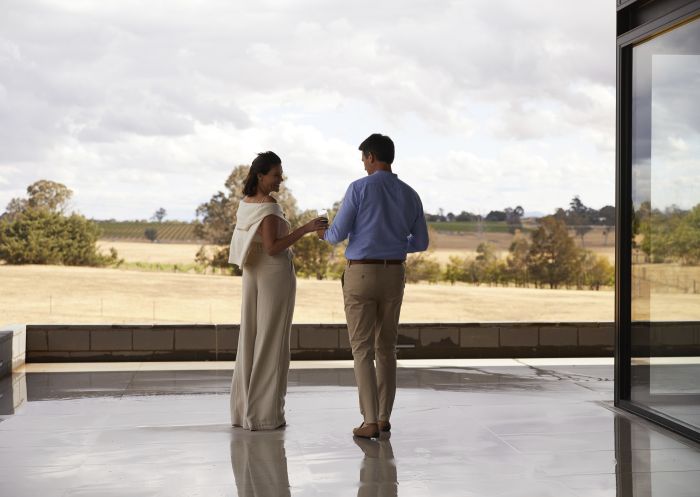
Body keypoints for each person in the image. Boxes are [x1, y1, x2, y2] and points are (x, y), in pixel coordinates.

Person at [320, 134, 429, 438]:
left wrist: (322, 233)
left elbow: (337, 234)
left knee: (362, 349)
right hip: (393, 274)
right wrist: (394, 243)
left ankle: (368, 420)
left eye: (364, 160)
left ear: (370, 157)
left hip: (361, 274)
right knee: (387, 348)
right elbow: (421, 242)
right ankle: (383, 418)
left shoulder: (359, 188)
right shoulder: (410, 194)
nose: (363, 166)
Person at [229, 151, 328, 431]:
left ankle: (243, 412)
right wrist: (307, 228)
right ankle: (265, 415)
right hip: (273, 273)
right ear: (260, 175)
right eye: (275, 175)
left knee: (250, 337)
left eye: (281, 174)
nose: (280, 179)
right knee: (272, 340)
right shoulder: (269, 207)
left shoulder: (245, 204)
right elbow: (273, 247)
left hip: (252, 271)